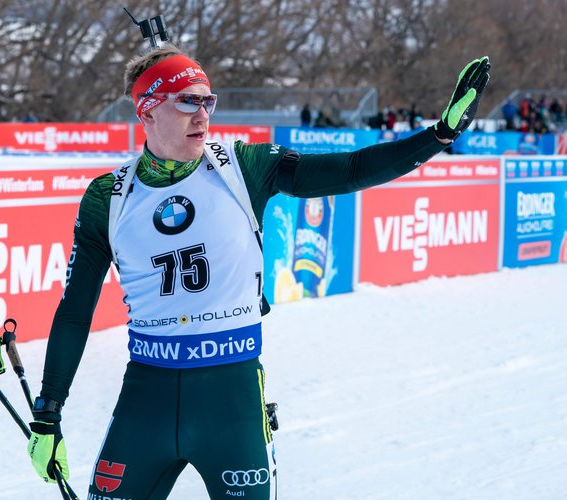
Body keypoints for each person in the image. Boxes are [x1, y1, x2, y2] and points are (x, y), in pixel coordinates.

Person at [25, 44, 490, 499]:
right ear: (146, 110)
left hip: (232, 400)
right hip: (146, 396)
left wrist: (439, 136)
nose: (202, 116)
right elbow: (74, 312)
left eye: (208, 101)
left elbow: (349, 169)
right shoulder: (108, 196)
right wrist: (48, 414)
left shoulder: (243, 167)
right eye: (187, 102)